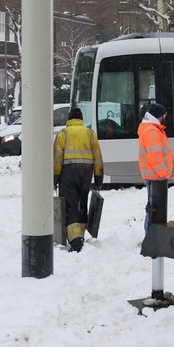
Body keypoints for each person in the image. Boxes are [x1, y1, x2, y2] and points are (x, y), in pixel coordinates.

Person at [53, 107, 104, 253]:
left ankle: (75, 241)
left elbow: (57, 159)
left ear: (69, 119)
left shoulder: (63, 134)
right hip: (86, 172)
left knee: (70, 205)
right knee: (82, 202)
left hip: (68, 172)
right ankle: (79, 234)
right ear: (81, 119)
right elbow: (98, 158)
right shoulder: (90, 134)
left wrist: (55, 179)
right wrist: (99, 179)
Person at [137, 102, 174, 229]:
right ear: (160, 116)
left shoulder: (152, 129)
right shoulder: (152, 131)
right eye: (164, 116)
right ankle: (150, 238)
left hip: (154, 177)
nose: (165, 119)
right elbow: (154, 157)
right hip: (156, 178)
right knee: (154, 211)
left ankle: (151, 238)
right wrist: (164, 173)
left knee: (153, 210)